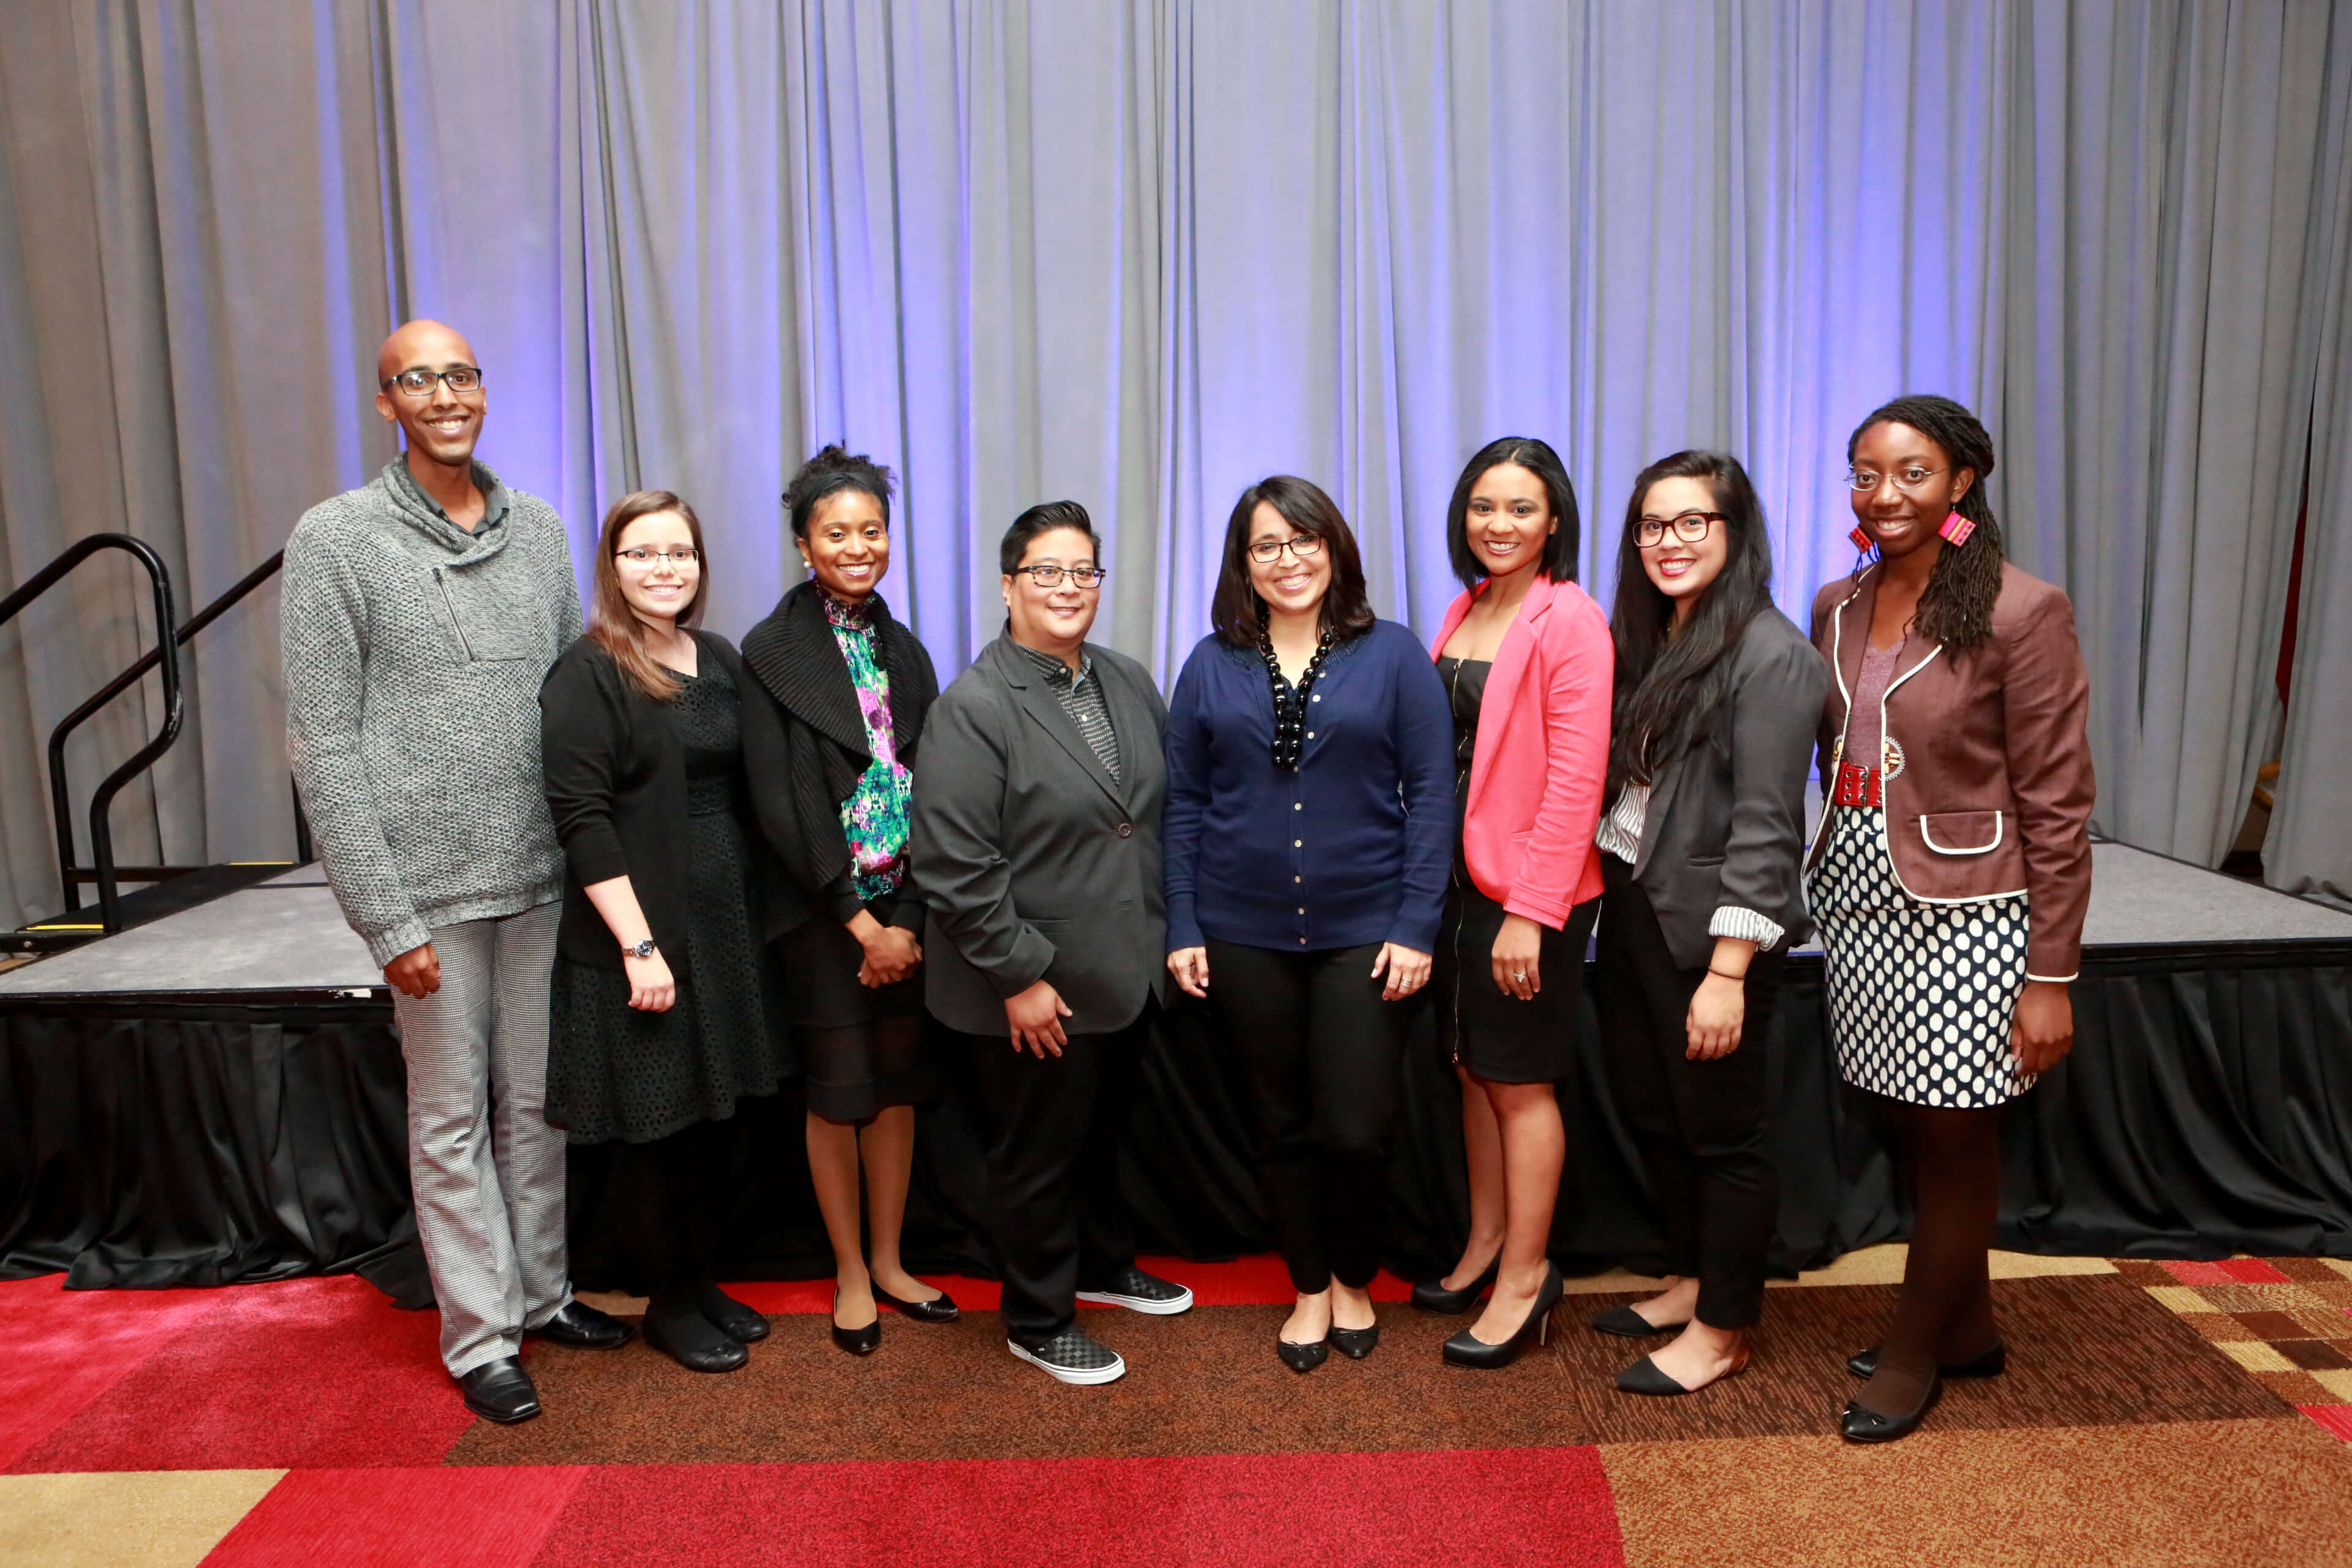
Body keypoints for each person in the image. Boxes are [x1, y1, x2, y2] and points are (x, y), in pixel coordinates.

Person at [282, 320, 630, 1425]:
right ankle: (481, 1338)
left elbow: (575, 704)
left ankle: (543, 1294)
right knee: (449, 1123)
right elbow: (322, 744)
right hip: (425, 893)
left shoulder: (542, 531)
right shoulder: (335, 539)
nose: (446, 395)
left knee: (538, 1108)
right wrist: (383, 918)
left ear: (484, 391)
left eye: (463, 375)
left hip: (542, 877)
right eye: (419, 379)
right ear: (388, 402)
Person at [1808, 394, 2092, 1442]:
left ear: (1963, 481)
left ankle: (1915, 1353)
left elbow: (2058, 803)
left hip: (1973, 912)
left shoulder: (2023, 609)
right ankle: (1967, 1328)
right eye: (1866, 473)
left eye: (1912, 473)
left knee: (1955, 1133)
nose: (1884, 494)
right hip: (1860, 901)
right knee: (1906, 1121)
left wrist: (2051, 974)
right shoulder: (1837, 602)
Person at [1164, 476, 1450, 1373]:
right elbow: (1184, 802)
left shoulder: (1393, 653)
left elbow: (1432, 795)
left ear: (1334, 548)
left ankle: (1355, 1276)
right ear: (1243, 563)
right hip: (1239, 929)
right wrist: (1182, 922)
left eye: (1304, 540)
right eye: (1267, 545)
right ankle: (1311, 1286)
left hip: (1367, 928)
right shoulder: (1211, 663)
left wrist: (1417, 922)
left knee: (1355, 1129)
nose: (1288, 560)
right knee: (1279, 1124)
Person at [911, 501, 1194, 1385]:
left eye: (1083, 572)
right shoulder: (974, 705)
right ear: (1008, 586)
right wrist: (1020, 976)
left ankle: (1102, 1264)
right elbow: (953, 864)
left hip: (1124, 969)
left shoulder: (1126, 678)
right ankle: (1038, 1318)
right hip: (1034, 986)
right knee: (1037, 1158)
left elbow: (1148, 819)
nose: (1067, 587)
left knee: (1102, 1138)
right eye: (1046, 572)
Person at [1584, 451, 1828, 1395]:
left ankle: (1724, 1328)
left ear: (1736, 532)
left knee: (1724, 1134)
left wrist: (1729, 973)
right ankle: (1688, 1281)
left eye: (1693, 522)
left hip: (1711, 934)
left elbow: (1769, 827)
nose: (1668, 542)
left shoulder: (1771, 654)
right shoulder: (1658, 635)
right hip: (1638, 906)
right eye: (1652, 525)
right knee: (1657, 1112)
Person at [539, 491, 792, 1374]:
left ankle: (697, 1281)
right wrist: (638, 946)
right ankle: (668, 1307)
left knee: (713, 1123)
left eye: (679, 552)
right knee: (657, 1132)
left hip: (723, 930)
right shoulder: (589, 670)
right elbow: (581, 818)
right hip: (640, 937)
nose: (664, 569)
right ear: (612, 567)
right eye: (642, 553)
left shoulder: (716, 656)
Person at [739, 445, 954, 1356]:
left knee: (897, 1089)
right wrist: (860, 923)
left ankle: (893, 1260)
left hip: (905, 909)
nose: (857, 547)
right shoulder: (768, 652)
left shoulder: (906, 648)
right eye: (837, 532)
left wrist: (906, 919)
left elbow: (936, 781)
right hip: (825, 914)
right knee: (838, 1093)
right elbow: (779, 806)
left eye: (872, 530)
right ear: (803, 544)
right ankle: (851, 1272)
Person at [1416, 439, 1610, 1368]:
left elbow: (1577, 779)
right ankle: (1487, 1241)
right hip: (1457, 880)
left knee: (1521, 1081)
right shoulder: (1468, 605)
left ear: (1554, 520)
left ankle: (1528, 1278)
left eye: (1522, 508)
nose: (1499, 524)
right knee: (1472, 1069)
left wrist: (1533, 909)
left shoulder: (1570, 618)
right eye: (1484, 506)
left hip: (1527, 889)